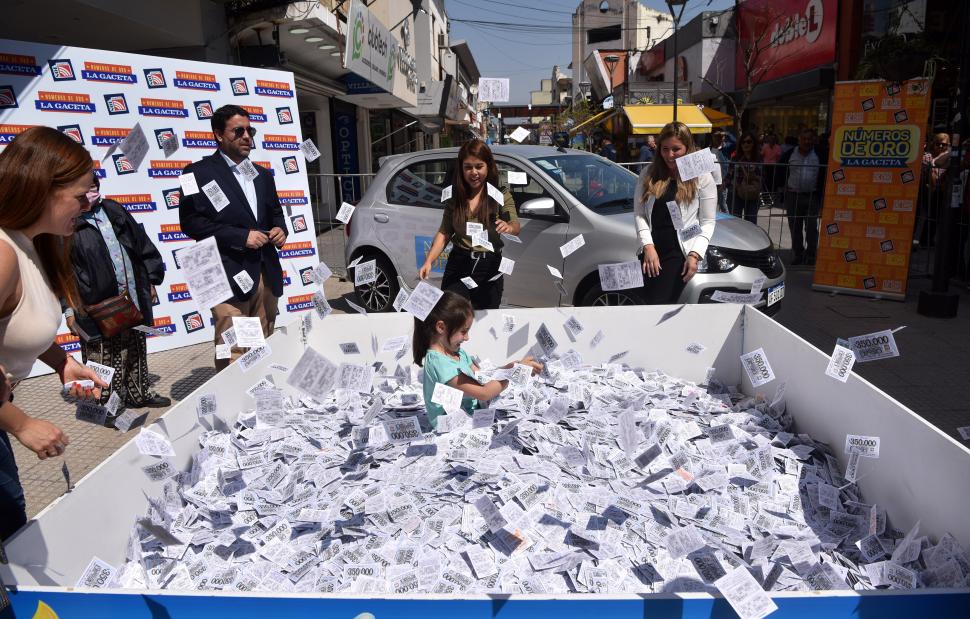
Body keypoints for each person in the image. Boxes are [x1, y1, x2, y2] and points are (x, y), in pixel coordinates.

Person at [0, 126, 108, 540]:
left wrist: (63, 363)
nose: (87, 205)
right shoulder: (3, 253)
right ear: (41, 188)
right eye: (80, 196)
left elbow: (16, 321)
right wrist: (21, 423)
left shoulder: (31, 243)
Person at [179, 104, 287, 370]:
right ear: (218, 135)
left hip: (264, 273)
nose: (247, 136)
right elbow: (190, 223)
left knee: (262, 348)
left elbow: (275, 213)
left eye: (250, 130)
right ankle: (231, 407)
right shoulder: (194, 173)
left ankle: (259, 402)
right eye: (238, 131)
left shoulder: (262, 175)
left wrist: (280, 229)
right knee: (233, 351)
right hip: (224, 275)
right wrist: (240, 237)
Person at [67, 175, 170, 415]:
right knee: (103, 357)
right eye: (83, 189)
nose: (90, 192)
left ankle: (138, 394)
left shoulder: (113, 209)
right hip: (95, 305)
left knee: (135, 346)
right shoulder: (68, 222)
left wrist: (150, 280)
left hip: (130, 296)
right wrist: (68, 310)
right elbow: (61, 272)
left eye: (93, 186)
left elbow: (140, 243)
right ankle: (106, 408)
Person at [412, 291, 541, 428]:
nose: (467, 338)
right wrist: (516, 373)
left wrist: (513, 366)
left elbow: (483, 377)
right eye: (463, 331)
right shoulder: (440, 363)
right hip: (451, 428)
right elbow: (484, 393)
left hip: (472, 416)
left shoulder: (457, 353)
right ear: (441, 327)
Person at [419, 139, 520, 310]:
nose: (474, 172)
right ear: (461, 168)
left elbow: (515, 224)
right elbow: (444, 232)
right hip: (459, 262)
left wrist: (509, 227)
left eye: (479, 166)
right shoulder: (455, 196)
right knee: (451, 314)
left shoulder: (499, 194)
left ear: (488, 166)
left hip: (489, 265)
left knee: (484, 322)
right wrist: (429, 261)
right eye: (468, 167)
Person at [634, 122, 717, 304]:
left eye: (676, 149)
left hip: (678, 253)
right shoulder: (649, 173)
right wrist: (648, 247)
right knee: (645, 305)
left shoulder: (702, 176)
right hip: (650, 251)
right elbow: (639, 214)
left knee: (660, 305)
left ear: (687, 148)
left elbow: (708, 221)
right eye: (665, 149)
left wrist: (695, 254)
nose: (670, 155)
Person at [780, 128, 823, 265]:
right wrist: (782, 187)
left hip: (812, 196)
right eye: (804, 138)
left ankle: (811, 255)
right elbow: (780, 169)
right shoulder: (789, 154)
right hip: (793, 196)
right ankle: (798, 254)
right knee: (795, 227)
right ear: (799, 140)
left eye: (809, 138)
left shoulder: (820, 154)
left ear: (813, 140)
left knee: (811, 227)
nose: (807, 141)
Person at [728, 132, 764, 224]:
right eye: (743, 142)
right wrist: (727, 185)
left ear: (753, 143)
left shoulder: (758, 158)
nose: (745, 144)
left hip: (752, 193)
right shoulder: (735, 158)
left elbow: (762, 176)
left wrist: (752, 175)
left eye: (748, 142)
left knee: (751, 223)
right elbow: (729, 175)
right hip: (736, 193)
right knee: (735, 222)